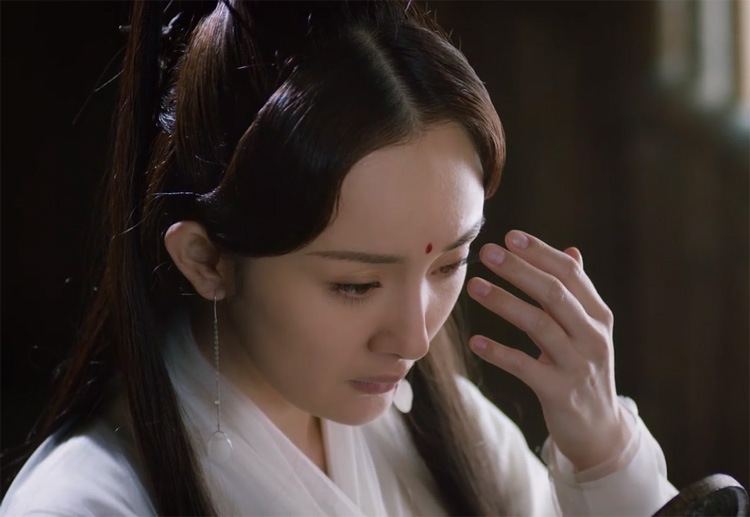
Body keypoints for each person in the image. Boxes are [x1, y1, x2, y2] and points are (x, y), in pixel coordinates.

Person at [1, 1, 678, 515]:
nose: (415, 339)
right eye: (355, 284)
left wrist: (604, 452)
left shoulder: (445, 427)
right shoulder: (89, 503)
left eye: (449, 264)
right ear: (207, 260)